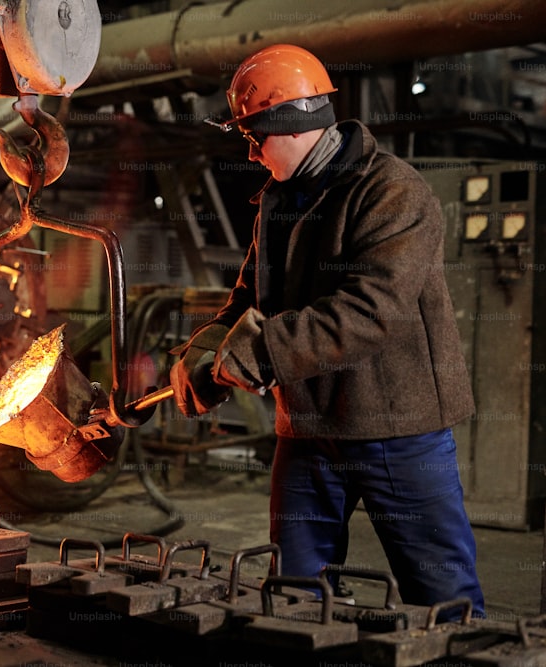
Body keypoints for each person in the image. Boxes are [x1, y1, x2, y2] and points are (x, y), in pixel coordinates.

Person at [169, 44, 485, 616]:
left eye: (253, 137)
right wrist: (206, 348)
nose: (251, 153)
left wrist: (259, 354)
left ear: (290, 125)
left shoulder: (392, 191)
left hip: (396, 427)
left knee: (444, 601)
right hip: (309, 427)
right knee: (295, 592)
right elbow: (246, 297)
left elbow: (370, 311)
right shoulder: (279, 201)